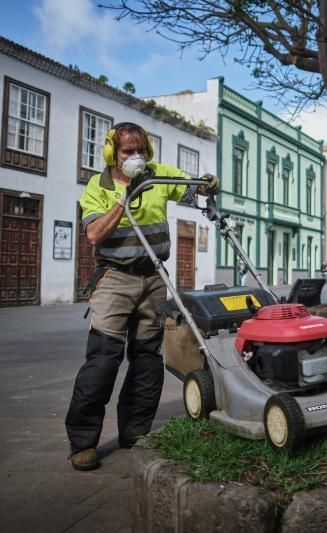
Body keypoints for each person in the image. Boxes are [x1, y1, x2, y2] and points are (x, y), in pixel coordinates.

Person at [65, 122, 219, 471]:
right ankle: (82, 442)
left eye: (140, 151)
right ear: (112, 154)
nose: (135, 157)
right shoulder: (97, 186)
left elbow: (191, 192)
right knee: (103, 360)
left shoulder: (159, 175)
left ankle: (135, 432)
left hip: (152, 278)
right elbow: (94, 235)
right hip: (114, 279)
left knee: (147, 360)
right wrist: (126, 198)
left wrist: (207, 185)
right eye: (126, 151)